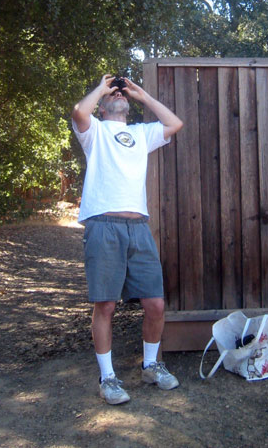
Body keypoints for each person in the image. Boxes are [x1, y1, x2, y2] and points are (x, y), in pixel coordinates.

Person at [72, 73, 183, 405]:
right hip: (103, 224)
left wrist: (142, 95)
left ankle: (150, 366)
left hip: (139, 227)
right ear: (103, 106)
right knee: (105, 304)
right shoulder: (94, 131)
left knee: (155, 304)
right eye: (113, 93)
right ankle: (107, 378)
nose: (119, 93)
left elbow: (174, 123)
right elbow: (79, 112)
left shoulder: (140, 133)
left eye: (121, 93)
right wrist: (102, 88)